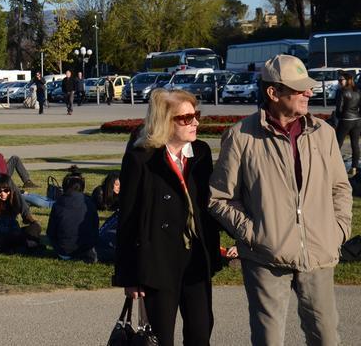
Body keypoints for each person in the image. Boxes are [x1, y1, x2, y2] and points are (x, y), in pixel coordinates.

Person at [210, 55, 352, 346]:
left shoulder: (324, 134)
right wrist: (255, 234)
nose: (309, 93)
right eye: (299, 88)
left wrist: (338, 230)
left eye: (307, 87)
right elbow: (220, 198)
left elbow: (340, 187)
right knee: (269, 340)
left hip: (319, 254)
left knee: (326, 337)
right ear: (273, 93)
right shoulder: (241, 137)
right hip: (265, 258)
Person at [115, 89, 220, 346]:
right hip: (158, 261)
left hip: (195, 257)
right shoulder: (141, 158)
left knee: (200, 331)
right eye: (185, 118)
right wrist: (129, 276)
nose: (195, 122)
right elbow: (127, 218)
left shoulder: (202, 153)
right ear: (165, 121)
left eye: (196, 115)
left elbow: (208, 205)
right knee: (160, 338)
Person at [0, 174, 42, 254]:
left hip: (10, 233)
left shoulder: (12, 202)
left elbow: (13, 224)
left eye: (6, 190)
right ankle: (26, 245)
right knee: (5, 238)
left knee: (35, 227)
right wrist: (20, 237)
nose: (3, 194)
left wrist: (20, 232)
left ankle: (25, 245)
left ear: (11, 190)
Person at [46, 167, 98, 262]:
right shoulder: (89, 203)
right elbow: (95, 229)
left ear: (65, 186)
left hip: (63, 252)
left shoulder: (58, 204)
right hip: (86, 250)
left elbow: (50, 232)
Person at [335, 71, 360, 177]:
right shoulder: (358, 91)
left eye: (341, 80)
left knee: (336, 145)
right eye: (339, 80)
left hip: (346, 120)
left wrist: (339, 117)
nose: (339, 82)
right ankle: (354, 168)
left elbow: (339, 109)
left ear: (347, 80)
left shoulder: (342, 92)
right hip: (357, 120)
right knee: (355, 144)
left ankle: (335, 168)